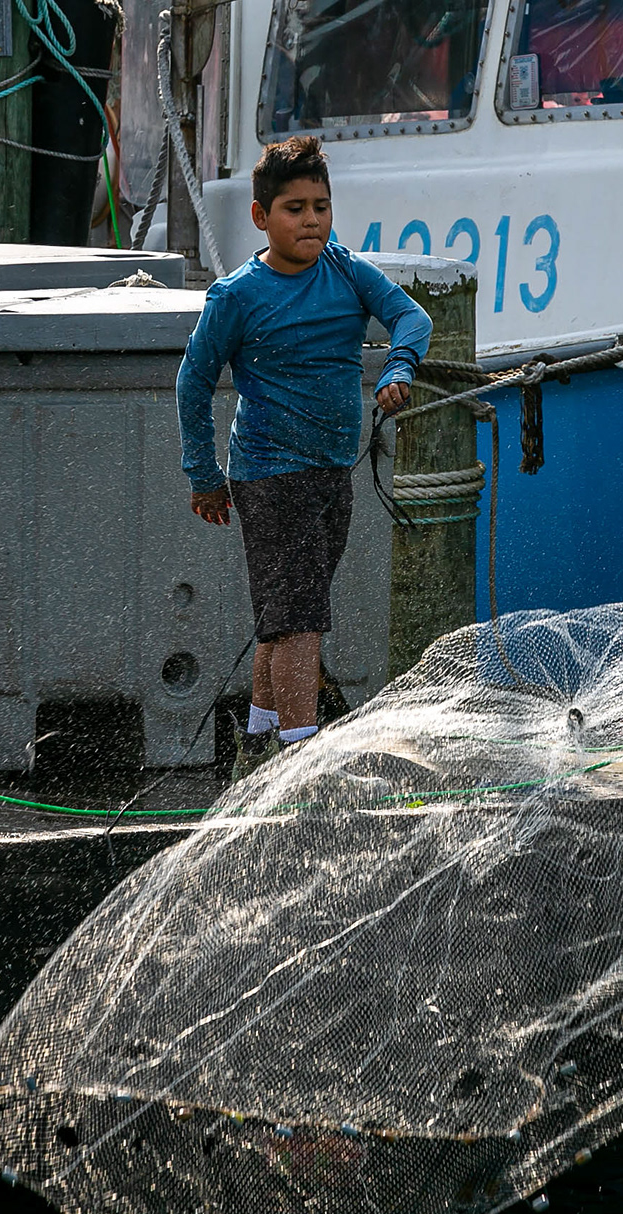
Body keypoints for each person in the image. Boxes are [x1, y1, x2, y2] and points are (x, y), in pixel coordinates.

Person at [176, 135, 432, 780]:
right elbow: (193, 383)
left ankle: (257, 748)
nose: (311, 219)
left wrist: (398, 367)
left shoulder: (344, 269)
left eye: (321, 205)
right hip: (269, 474)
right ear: (262, 217)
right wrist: (204, 476)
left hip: (331, 470)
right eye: (294, 208)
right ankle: (304, 767)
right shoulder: (237, 297)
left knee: (285, 614)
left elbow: (412, 317)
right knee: (300, 622)